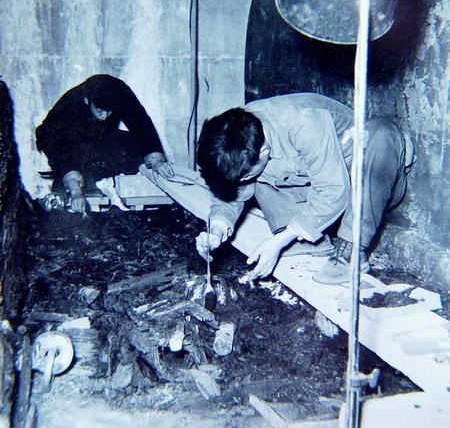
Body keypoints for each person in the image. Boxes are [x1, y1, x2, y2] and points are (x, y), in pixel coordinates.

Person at [195, 93, 413, 285]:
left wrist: (278, 242)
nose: (240, 181)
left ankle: (351, 247)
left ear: (264, 151)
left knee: (380, 133)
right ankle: (308, 237)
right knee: (254, 177)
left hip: (354, 183)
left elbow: (334, 190)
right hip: (310, 187)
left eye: (244, 176)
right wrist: (217, 227)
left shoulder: (303, 121)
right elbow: (231, 187)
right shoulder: (236, 132)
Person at [36, 74, 173, 213]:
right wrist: (75, 189)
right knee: (75, 151)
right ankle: (64, 185)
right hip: (54, 138)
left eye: (109, 111)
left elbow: (142, 125)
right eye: (99, 110)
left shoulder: (121, 93)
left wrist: (156, 161)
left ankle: (88, 177)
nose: (104, 116)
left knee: (131, 145)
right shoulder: (71, 105)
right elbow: (62, 146)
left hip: (96, 138)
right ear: (86, 100)